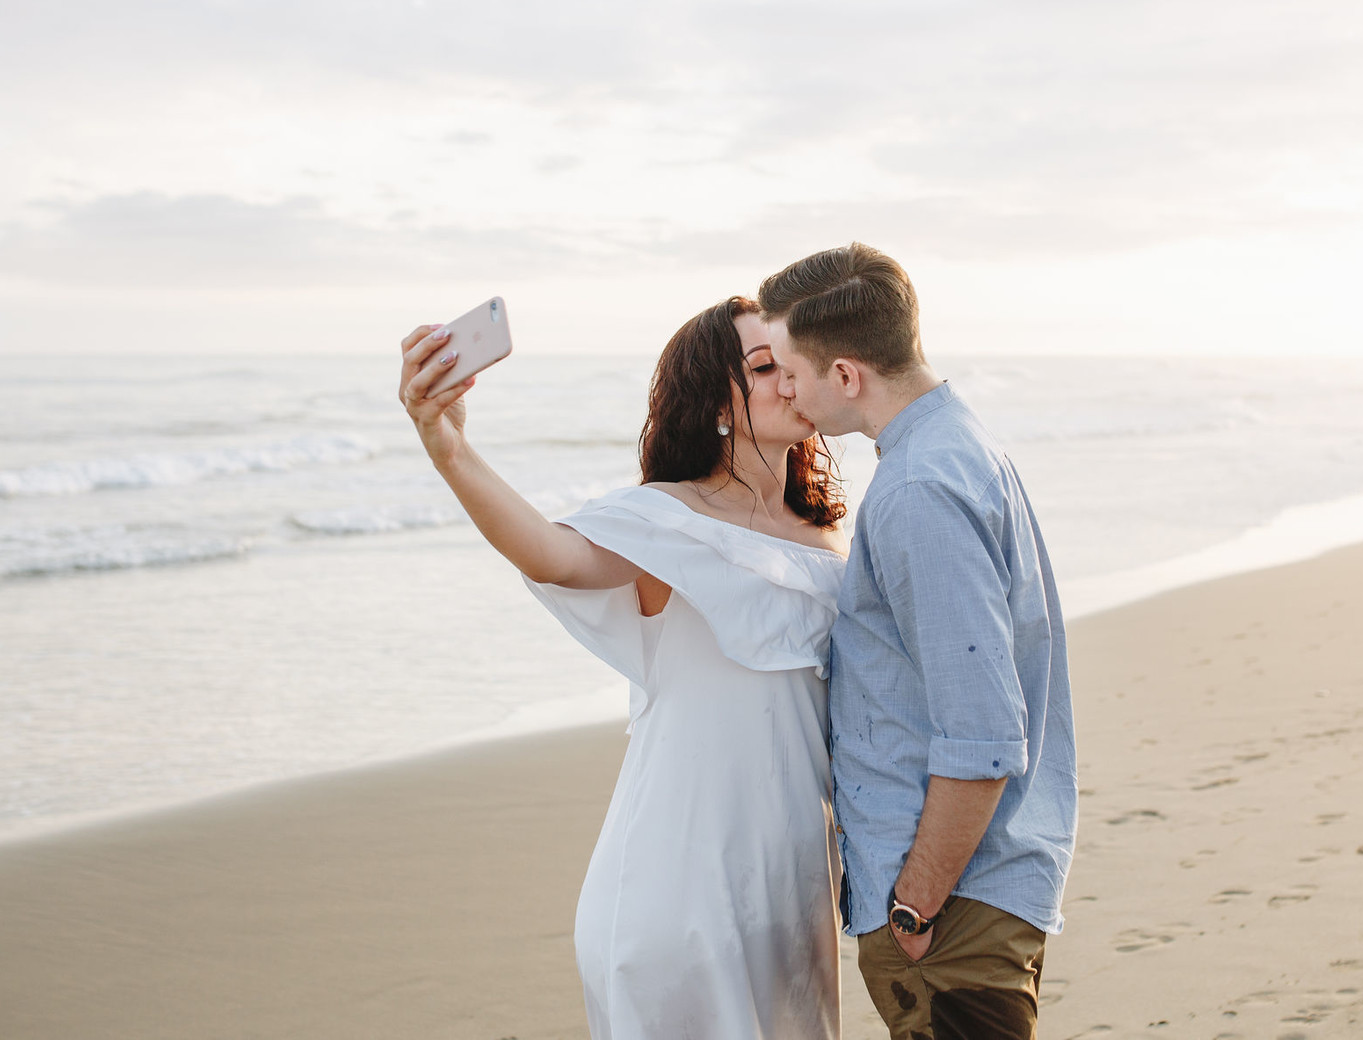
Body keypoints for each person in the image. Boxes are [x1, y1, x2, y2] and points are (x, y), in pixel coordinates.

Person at [398, 296, 848, 1040]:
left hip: (792, 888)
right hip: (681, 885)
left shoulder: (829, 531)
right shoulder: (663, 519)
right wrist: (448, 447)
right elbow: (552, 553)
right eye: (763, 367)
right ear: (715, 404)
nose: (788, 381)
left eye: (790, 361)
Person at [758, 245, 1077, 1040]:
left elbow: (981, 735)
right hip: (977, 895)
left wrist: (912, 905)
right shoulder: (960, 447)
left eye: (790, 370)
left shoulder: (918, 491)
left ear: (846, 375)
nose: (786, 388)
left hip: (951, 913)